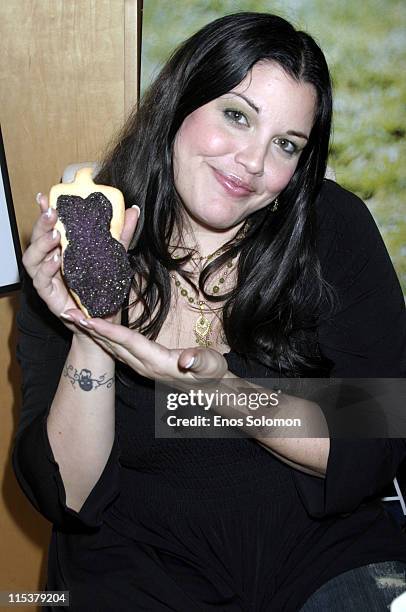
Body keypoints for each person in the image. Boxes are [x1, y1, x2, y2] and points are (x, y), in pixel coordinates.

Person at [13, 11, 406, 612]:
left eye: (285, 144)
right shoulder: (89, 244)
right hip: (140, 573)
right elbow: (66, 494)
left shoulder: (331, 230)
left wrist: (219, 390)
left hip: (321, 559)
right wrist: (94, 324)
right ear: (179, 103)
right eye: (236, 115)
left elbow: (373, 438)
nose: (251, 162)